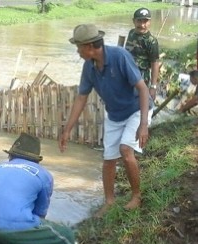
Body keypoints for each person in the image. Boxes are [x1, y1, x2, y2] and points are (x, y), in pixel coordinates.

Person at [60, 24, 151, 215]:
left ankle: (136, 195)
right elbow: (81, 98)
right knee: (108, 159)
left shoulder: (120, 56)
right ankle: (109, 201)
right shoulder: (89, 67)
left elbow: (142, 88)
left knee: (126, 149)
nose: (77, 52)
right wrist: (67, 129)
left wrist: (143, 124)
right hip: (115, 114)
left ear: (90, 47)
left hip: (136, 109)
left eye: (79, 47)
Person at [125, 8, 161, 99]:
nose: (142, 25)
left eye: (145, 21)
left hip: (140, 76)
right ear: (134, 21)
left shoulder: (151, 42)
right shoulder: (131, 33)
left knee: (138, 101)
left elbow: (154, 64)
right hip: (126, 72)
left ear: (150, 22)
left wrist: (153, 86)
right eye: (139, 21)